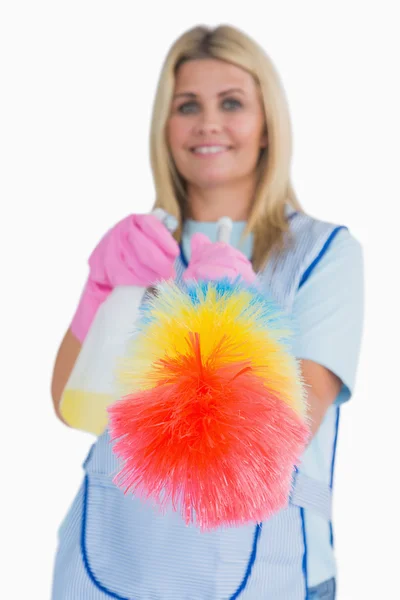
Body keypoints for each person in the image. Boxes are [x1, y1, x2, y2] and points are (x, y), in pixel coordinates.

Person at [50, 24, 364, 600]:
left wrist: (227, 330)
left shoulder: (322, 254)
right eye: (187, 105)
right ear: (165, 128)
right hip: (110, 560)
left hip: (262, 570)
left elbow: (288, 434)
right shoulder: (140, 247)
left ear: (267, 124)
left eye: (233, 103)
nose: (208, 122)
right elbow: (73, 407)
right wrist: (101, 287)